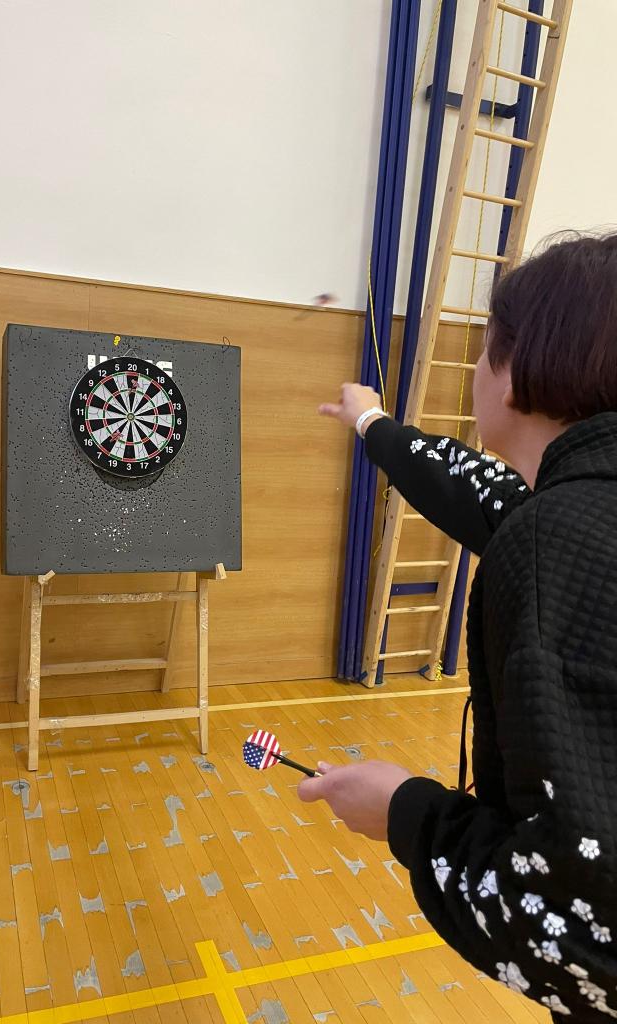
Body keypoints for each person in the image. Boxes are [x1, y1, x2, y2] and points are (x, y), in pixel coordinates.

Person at [299, 232, 617, 1021]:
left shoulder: (553, 543)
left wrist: (405, 813)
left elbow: (579, 924)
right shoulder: (570, 508)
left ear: (517, 371)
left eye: (484, 346)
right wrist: (374, 423)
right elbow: (479, 490)